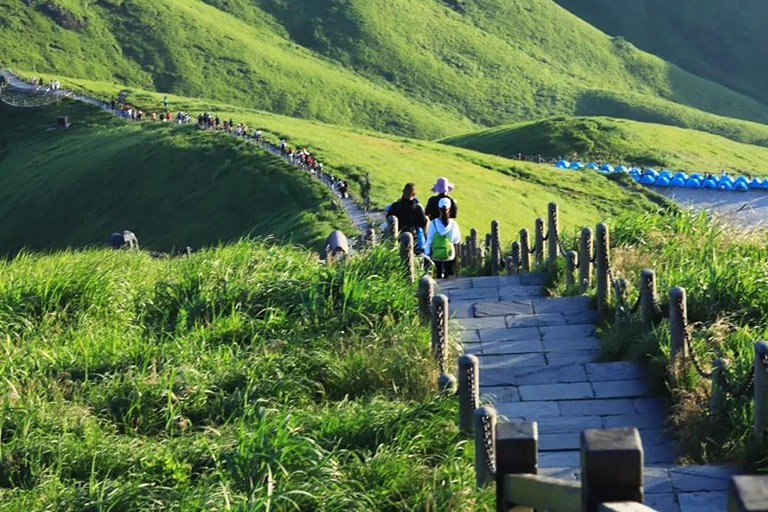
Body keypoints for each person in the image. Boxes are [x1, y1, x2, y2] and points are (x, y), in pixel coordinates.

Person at [425, 198, 461, 279]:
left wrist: (427, 254)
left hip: (436, 254)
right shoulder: (453, 224)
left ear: (438, 209)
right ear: (450, 209)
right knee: (449, 275)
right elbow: (456, 240)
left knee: (437, 275)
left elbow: (429, 240)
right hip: (449, 254)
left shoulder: (433, 223)